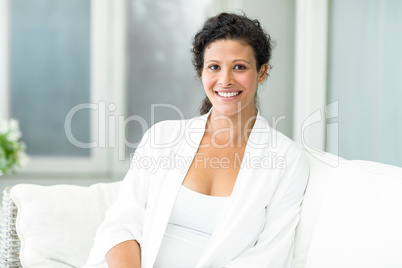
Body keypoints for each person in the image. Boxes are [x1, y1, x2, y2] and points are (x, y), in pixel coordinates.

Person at [84, 12, 309, 268]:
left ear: (262, 72)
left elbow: (269, 256)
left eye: (239, 67)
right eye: (214, 67)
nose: (225, 80)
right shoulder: (163, 137)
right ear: (201, 71)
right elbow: (122, 224)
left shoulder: (287, 160)